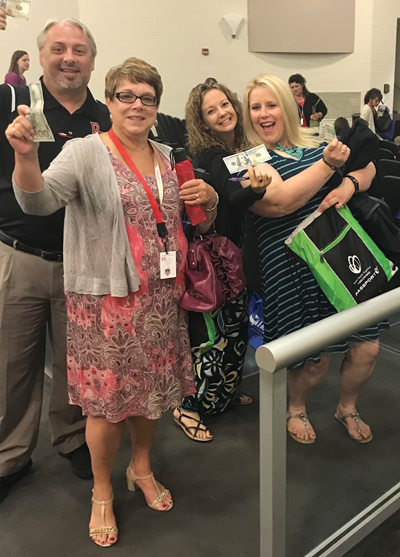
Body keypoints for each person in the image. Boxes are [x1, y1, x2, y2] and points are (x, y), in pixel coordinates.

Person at [6, 56, 218, 547]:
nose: (137, 105)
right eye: (126, 95)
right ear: (111, 100)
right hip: (105, 303)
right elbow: (38, 202)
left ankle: (140, 469)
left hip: (162, 299)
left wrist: (207, 199)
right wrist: (23, 157)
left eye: (147, 97)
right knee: (105, 407)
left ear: (157, 105)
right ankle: (103, 489)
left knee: (151, 395)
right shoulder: (85, 152)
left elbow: (197, 226)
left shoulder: (168, 157)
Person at [0, 17, 111, 505]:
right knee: (11, 365)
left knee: (76, 363)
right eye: (59, 48)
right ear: (40, 55)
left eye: (80, 50)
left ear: (91, 59)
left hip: (82, 263)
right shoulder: (11, 108)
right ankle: (9, 455)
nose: (70, 57)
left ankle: (72, 439)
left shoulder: (106, 117)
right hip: (17, 256)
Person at [242, 74, 385, 445]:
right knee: (314, 357)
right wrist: (326, 166)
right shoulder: (248, 162)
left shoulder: (313, 145)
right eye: (255, 107)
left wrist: (347, 184)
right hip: (290, 266)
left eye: (271, 104)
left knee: (367, 346)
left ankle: (347, 407)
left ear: (288, 107)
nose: (263, 114)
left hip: (339, 257)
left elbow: (369, 168)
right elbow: (279, 202)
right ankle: (297, 408)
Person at [173, 78, 270, 442]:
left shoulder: (244, 149)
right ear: (202, 121)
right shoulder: (212, 155)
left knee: (235, 331)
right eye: (211, 110)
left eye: (225, 104)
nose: (221, 113)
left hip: (234, 260)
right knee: (212, 337)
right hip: (213, 263)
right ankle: (189, 406)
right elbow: (232, 195)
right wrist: (256, 187)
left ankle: (223, 395)